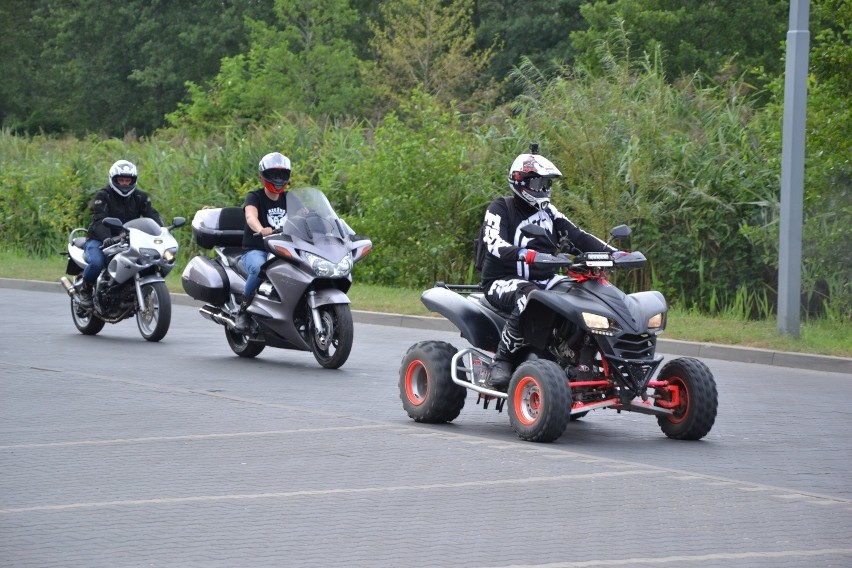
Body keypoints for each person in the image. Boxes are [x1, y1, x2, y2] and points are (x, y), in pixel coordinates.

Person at [480, 147, 617, 390]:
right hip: (503, 280)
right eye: (538, 182)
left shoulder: (549, 212)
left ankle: (573, 355)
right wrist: (527, 255)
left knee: (585, 296)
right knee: (529, 296)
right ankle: (502, 360)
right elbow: (494, 244)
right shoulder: (500, 208)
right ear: (520, 181)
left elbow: (578, 237)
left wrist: (614, 253)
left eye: (546, 183)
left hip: (547, 280)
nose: (543, 189)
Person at [78, 160, 164, 309]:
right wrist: (107, 238)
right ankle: (85, 291)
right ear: (113, 179)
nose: (124, 184)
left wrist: (163, 231)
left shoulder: (140, 197)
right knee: (97, 263)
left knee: (147, 261)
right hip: (99, 240)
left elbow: (152, 215)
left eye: (127, 180)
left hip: (128, 240)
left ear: (133, 181)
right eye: (121, 180)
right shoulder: (103, 196)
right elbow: (99, 220)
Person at [234, 152, 292, 331]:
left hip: (283, 249)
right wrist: (261, 229)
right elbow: (251, 216)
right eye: (273, 174)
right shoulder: (254, 196)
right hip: (256, 249)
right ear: (263, 176)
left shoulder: (290, 198)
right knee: (260, 268)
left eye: (281, 175)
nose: (278, 179)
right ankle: (243, 310)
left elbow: (304, 214)